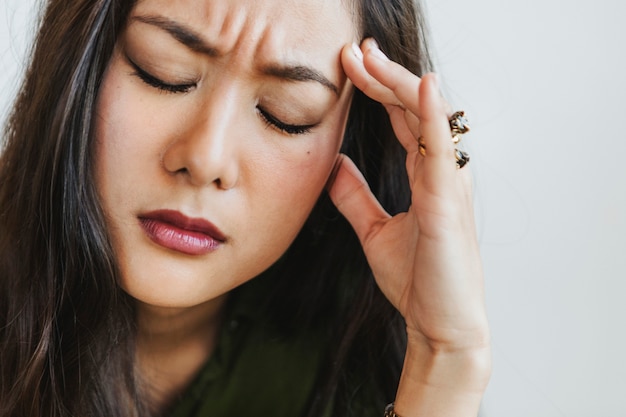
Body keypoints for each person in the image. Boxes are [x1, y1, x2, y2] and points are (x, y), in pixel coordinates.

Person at [0, 0, 490, 416]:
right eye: (163, 71)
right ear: (77, 61)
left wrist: (445, 359)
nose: (206, 158)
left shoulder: (356, 356)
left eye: (285, 114)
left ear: (350, 139)